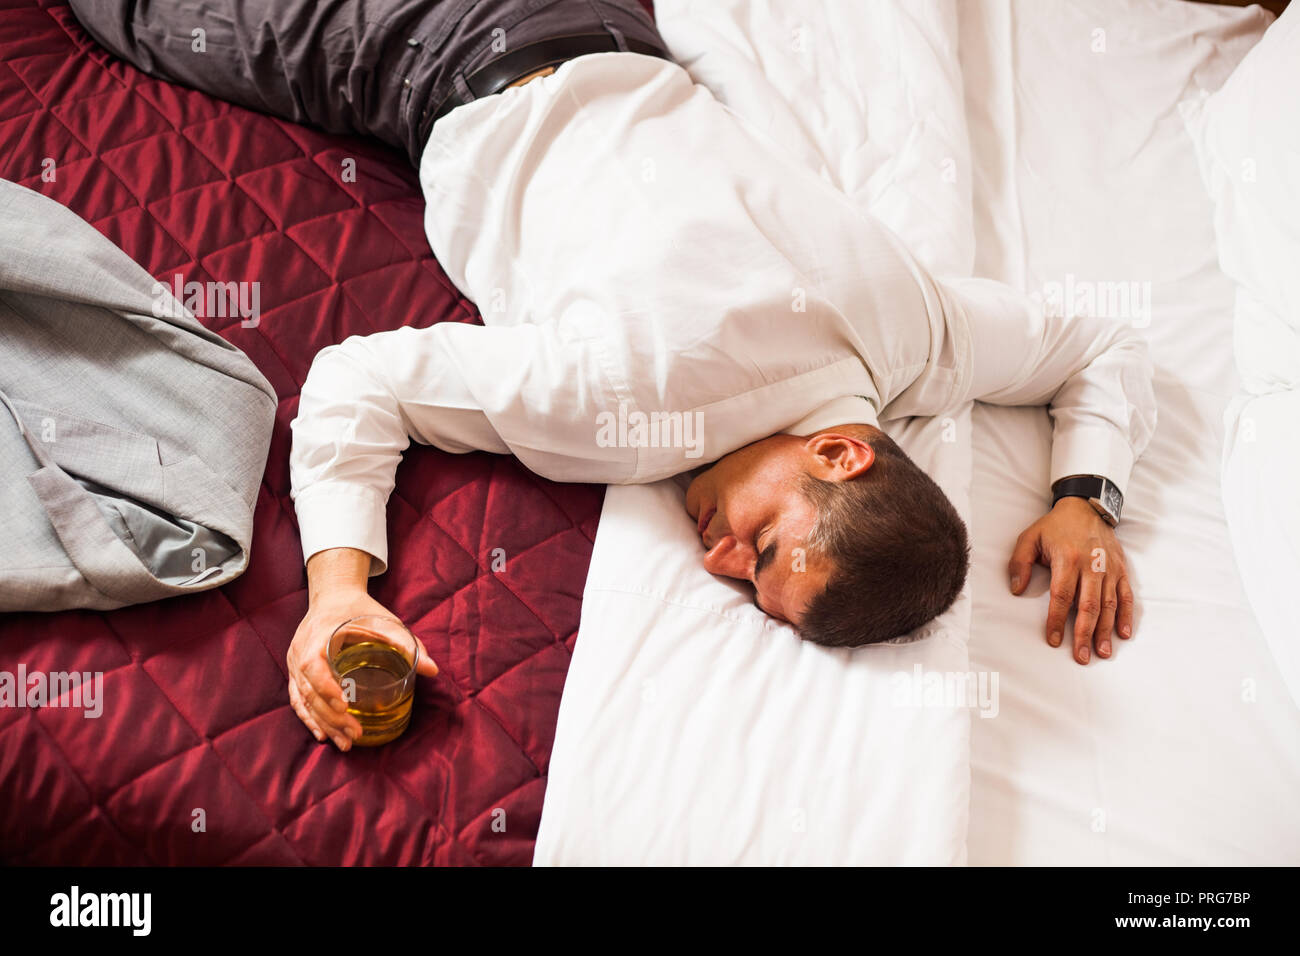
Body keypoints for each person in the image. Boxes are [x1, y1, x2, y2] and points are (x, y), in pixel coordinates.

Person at [69, 0, 1156, 753]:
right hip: (427, 43)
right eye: (763, 543)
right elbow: (359, 382)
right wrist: (339, 592)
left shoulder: (916, 331)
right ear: (840, 452)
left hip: (609, 27)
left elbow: (1098, 337)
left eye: (744, 583)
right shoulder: (626, 413)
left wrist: (1081, 498)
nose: (717, 554)